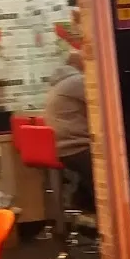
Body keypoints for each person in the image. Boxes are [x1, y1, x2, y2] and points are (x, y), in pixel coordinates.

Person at [44, 52, 94, 211]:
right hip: (77, 146)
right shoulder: (77, 81)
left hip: (62, 147)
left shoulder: (59, 84)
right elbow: (103, 100)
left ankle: (81, 202)